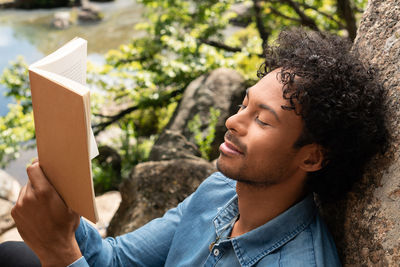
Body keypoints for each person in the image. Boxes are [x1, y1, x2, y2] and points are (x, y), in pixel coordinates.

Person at [2, 28, 388, 266]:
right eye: (243, 105)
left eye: (262, 119)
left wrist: (59, 254)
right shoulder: (220, 193)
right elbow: (116, 261)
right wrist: (67, 214)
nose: (232, 122)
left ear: (312, 156)